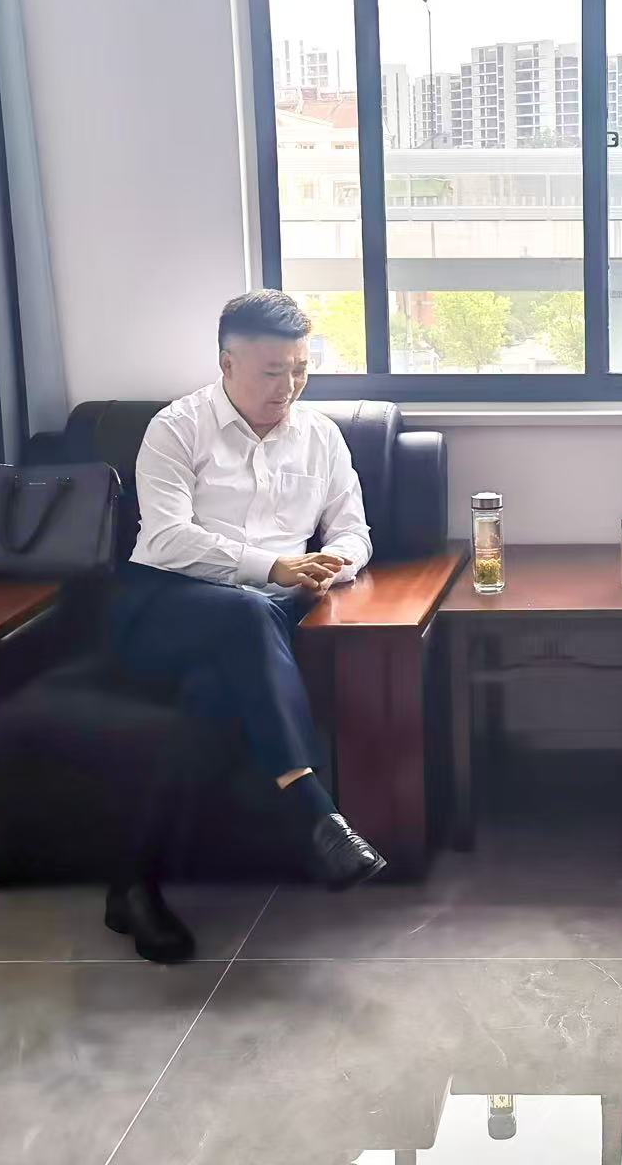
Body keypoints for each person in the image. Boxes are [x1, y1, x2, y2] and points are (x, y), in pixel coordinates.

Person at [104, 289, 386, 962]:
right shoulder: (177, 428)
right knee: (248, 609)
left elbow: (352, 530)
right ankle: (315, 812)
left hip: (267, 614)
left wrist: (332, 565)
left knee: (211, 690)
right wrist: (272, 566)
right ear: (227, 364)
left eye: (300, 370)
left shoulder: (321, 436)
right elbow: (167, 539)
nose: (287, 387)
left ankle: (132, 888)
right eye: (271, 372)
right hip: (167, 604)